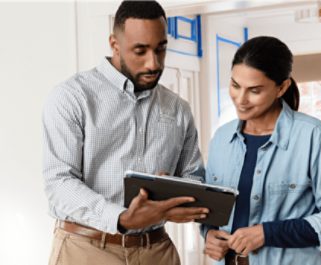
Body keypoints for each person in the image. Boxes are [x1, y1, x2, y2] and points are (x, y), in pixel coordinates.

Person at [42, 1, 208, 265]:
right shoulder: (72, 97)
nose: (153, 63)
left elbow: (194, 177)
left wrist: (175, 193)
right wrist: (120, 218)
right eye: (140, 51)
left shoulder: (178, 108)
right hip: (87, 250)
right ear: (114, 43)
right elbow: (59, 182)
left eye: (161, 49)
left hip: (158, 251)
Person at [202, 36, 321, 265]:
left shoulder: (314, 137)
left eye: (254, 90)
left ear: (282, 87)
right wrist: (208, 233)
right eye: (235, 86)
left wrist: (266, 233)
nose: (241, 100)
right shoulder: (222, 138)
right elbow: (214, 209)